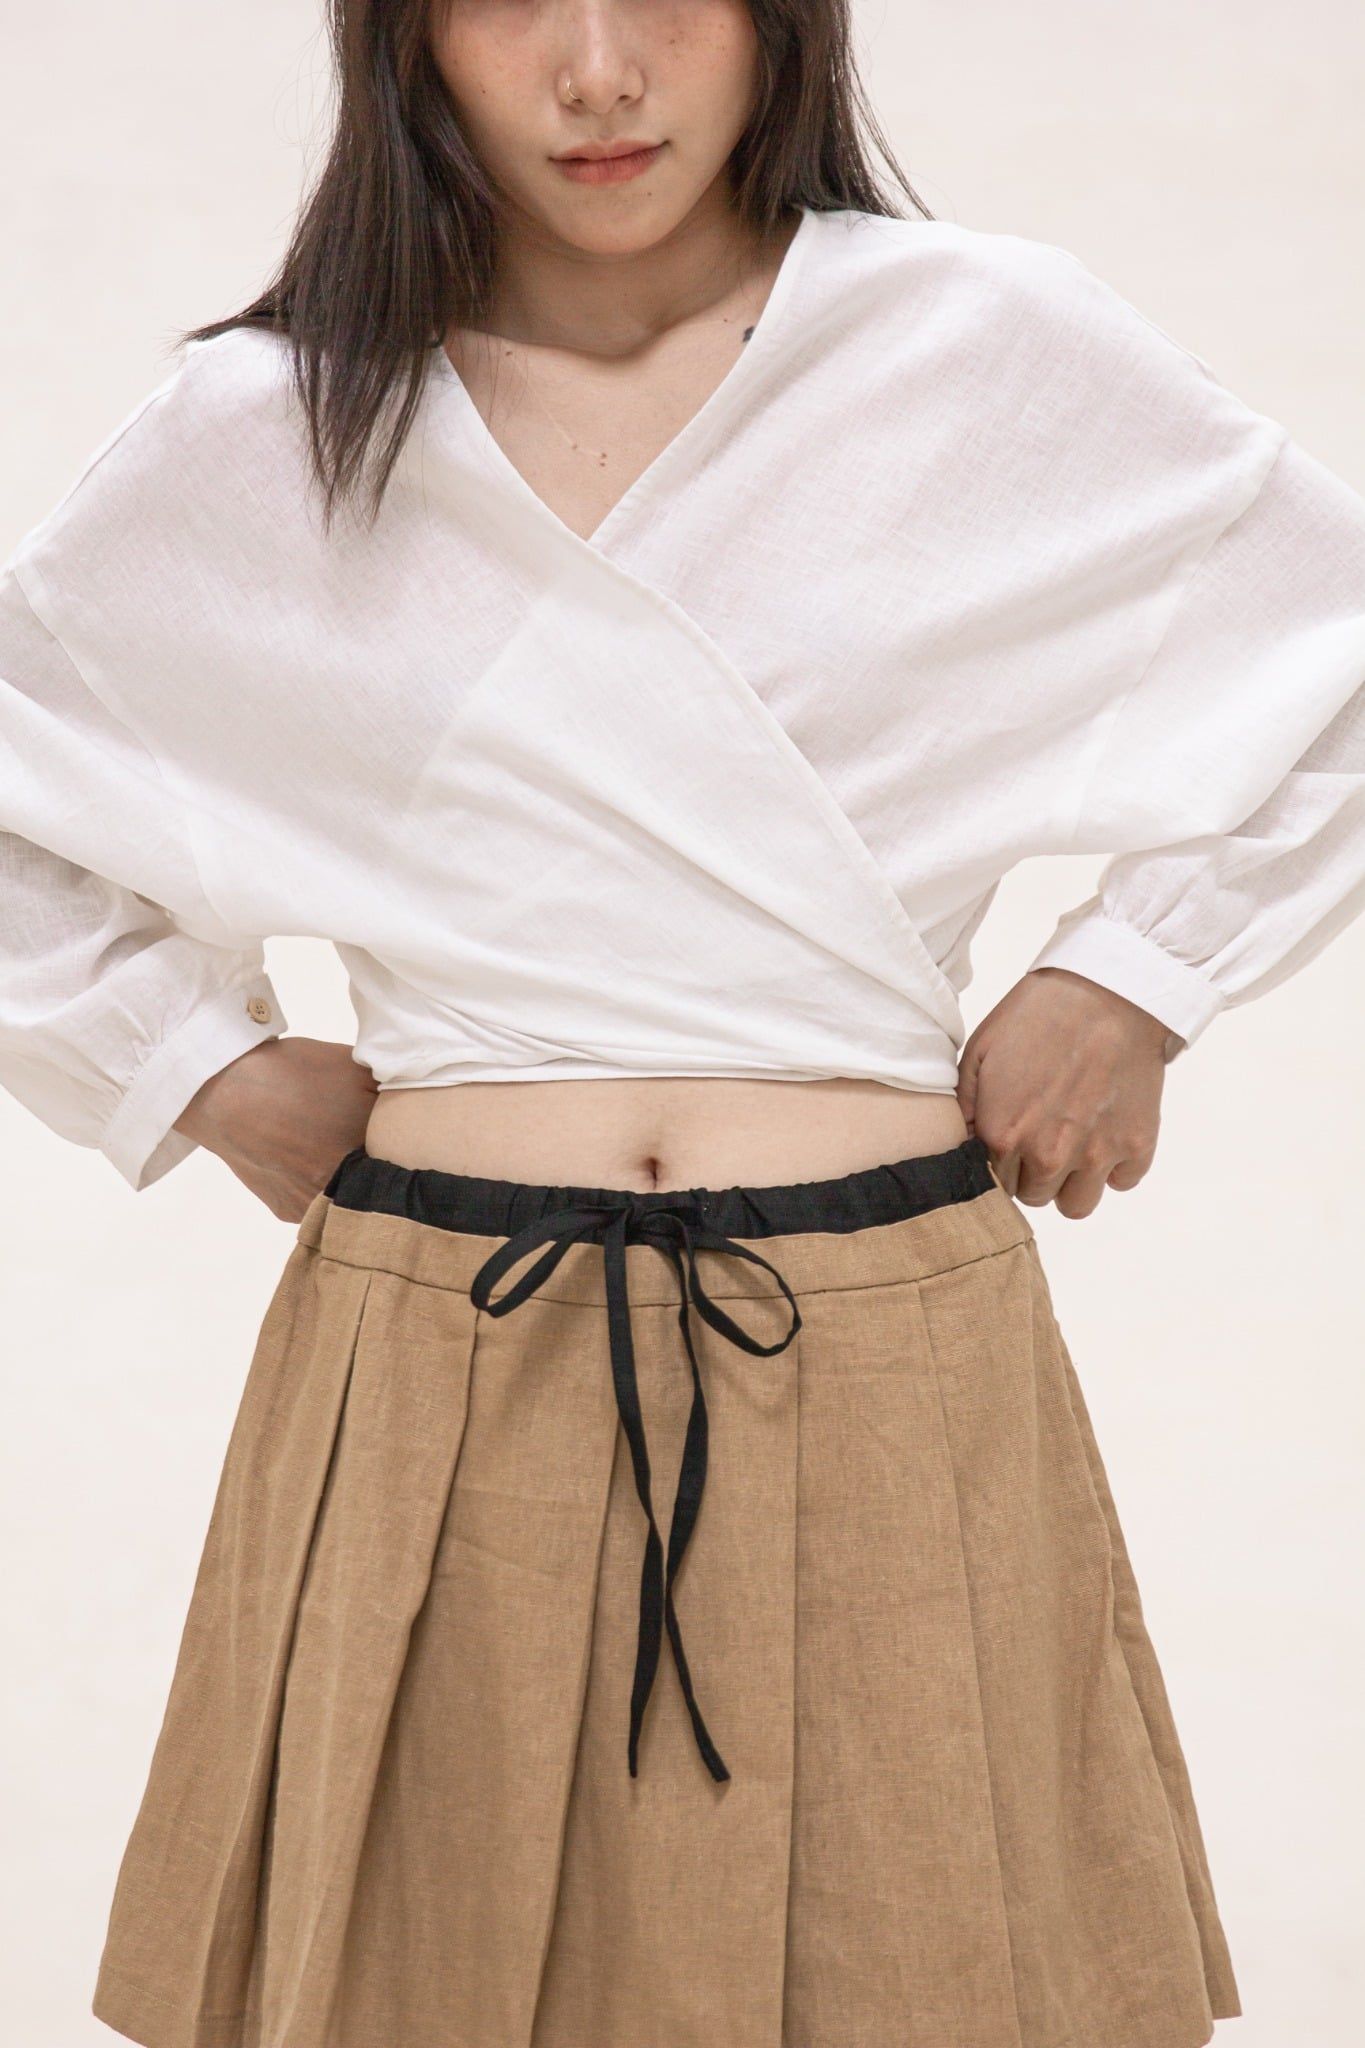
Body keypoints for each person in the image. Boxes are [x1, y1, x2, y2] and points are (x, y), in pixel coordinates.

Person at [2, 4, 1362, 2046]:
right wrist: (186, 1065)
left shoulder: (970, 348)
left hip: (890, 1338)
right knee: (420, 1987)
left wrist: (1137, 976)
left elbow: (1336, 650)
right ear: (404, 41)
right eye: (510, 0)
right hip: (435, 1353)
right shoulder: (273, 422)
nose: (597, 70)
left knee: (926, 1979)